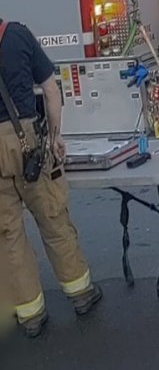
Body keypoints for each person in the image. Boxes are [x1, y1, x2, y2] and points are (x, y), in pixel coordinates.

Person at [0, 17, 103, 337]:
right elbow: (49, 88)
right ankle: (80, 292)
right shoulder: (15, 34)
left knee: (7, 234)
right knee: (52, 215)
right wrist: (55, 137)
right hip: (26, 140)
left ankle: (29, 313)